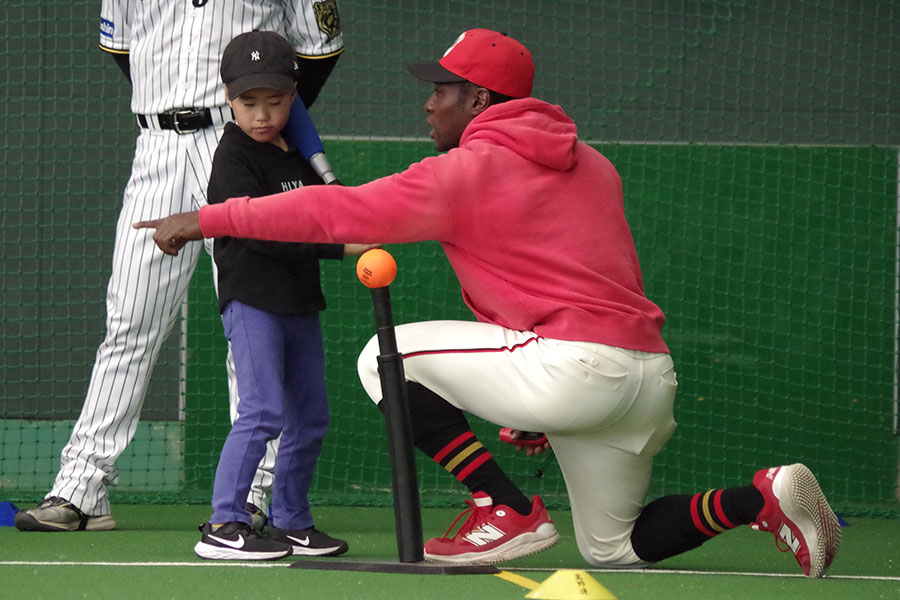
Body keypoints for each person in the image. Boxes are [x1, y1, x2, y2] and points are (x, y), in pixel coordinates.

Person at [133, 29, 842, 577]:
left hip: (572, 368)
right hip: (644, 377)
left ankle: (504, 508)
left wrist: (209, 217)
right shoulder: (592, 164)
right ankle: (760, 497)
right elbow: (580, 280)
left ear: (477, 101)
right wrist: (529, 401)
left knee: (383, 357)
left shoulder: (464, 170)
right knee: (616, 549)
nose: (427, 101)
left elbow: (340, 213)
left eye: (440, 89)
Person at [14, 0, 344, 533]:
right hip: (157, 147)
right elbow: (122, 50)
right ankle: (81, 489)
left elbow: (316, 52)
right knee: (129, 324)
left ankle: (257, 497)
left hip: (238, 142)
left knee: (258, 318)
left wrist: (260, 120)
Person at [193, 30, 371, 561]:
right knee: (262, 411)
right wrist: (340, 248)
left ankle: (291, 519)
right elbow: (260, 233)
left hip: (298, 302)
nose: (262, 115)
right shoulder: (234, 157)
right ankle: (224, 523)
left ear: (293, 98)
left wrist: (344, 212)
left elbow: (317, 213)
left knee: (310, 416)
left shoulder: (296, 155)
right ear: (229, 99)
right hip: (251, 300)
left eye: (275, 102)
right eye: (249, 103)